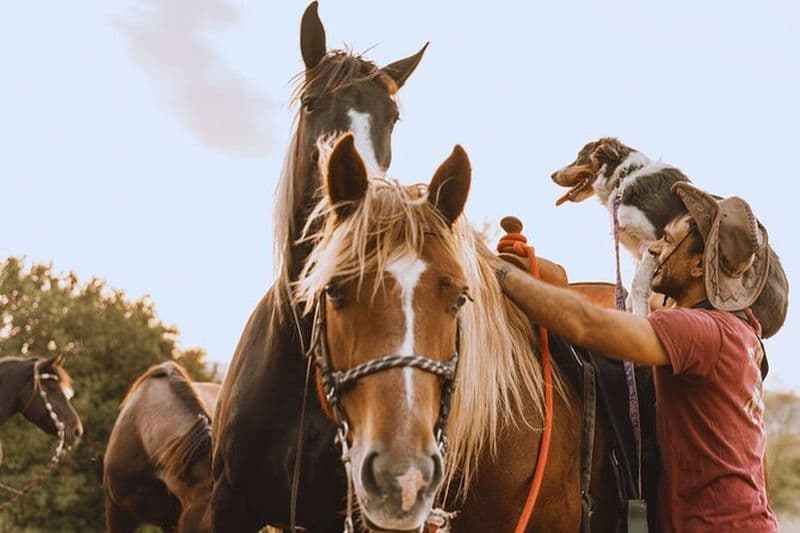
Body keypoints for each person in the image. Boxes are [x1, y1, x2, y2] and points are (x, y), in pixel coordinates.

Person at [492, 182, 778, 532]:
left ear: (699, 265)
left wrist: (497, 273)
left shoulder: (700, 331)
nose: (655, 248)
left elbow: (587, 326)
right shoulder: (739, 331)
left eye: (670, 241)